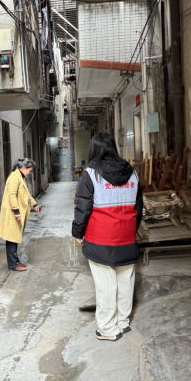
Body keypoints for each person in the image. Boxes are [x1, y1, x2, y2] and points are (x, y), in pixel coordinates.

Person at [72, 134, 143, 342]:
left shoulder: (90, 174)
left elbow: (83, 208)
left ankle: (107, 329)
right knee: (126, 281)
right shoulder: (132, 173)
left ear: (93, 150)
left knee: (106, 285)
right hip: (127, 237)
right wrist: (130, 229)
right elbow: (139, 208)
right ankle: (123, 322)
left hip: (100, 239)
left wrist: (78, 233)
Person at [0, 158, 40, 272]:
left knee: (14, 238)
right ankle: (13, 264)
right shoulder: (14, 178)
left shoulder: (20, 177)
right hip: (12, 213)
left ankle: (15, 261)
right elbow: (12, 195)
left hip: (16, 212)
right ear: (24, 168)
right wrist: (16, 211)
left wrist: (34, 204)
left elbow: (26, 194)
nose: (30, 173)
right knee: (11, 239)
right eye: (30, 170)